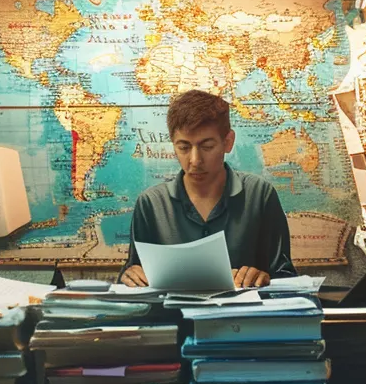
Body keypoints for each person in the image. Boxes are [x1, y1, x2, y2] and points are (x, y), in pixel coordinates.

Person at [120, 90, 295, 288]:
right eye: (184, 148)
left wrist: (265, 278)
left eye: (207, 146)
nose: (195, 161)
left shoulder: (260, 195)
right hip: (173, 316)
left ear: (227, 142)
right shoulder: (151, 204)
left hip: (239, 317)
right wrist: (130, 276)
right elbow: (133, 274)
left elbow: (285, 275)